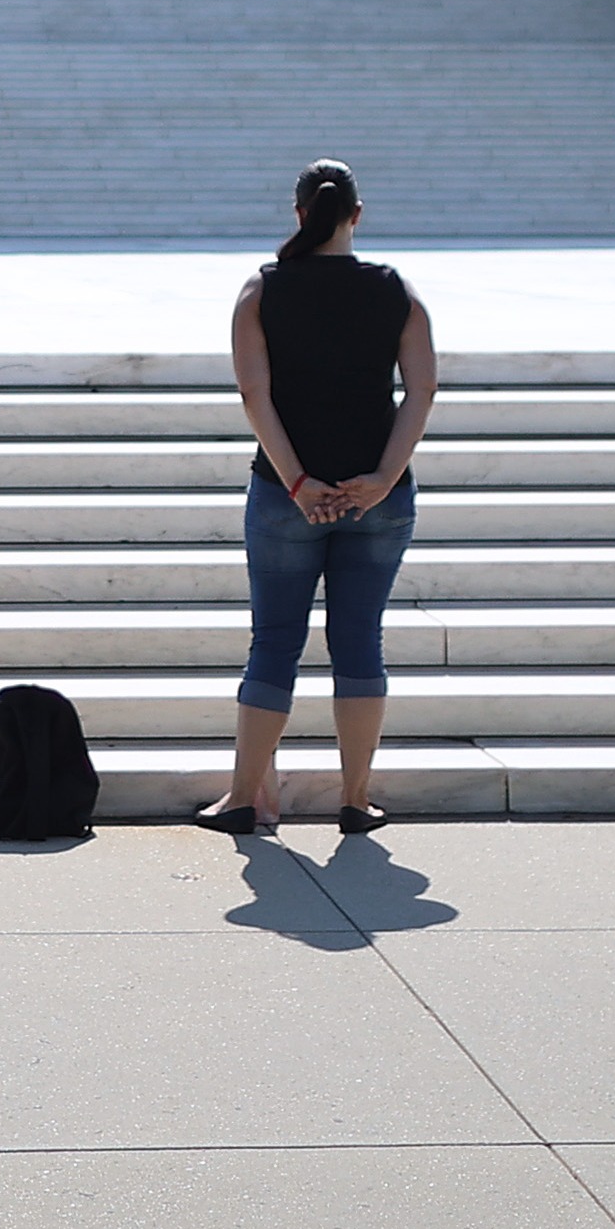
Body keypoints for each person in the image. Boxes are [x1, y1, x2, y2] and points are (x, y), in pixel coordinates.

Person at [201, 159, 439, 837]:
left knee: (274, 641)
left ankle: (245, 795)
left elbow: (255, 394)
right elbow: (422, 389)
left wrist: (300, 481)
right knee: (360, 640)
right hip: (378, 495)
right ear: (356, 216)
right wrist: (384, 476)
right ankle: (355, 798)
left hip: (285, 496)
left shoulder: (261, 289)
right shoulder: (396, 289)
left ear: (300, 213)